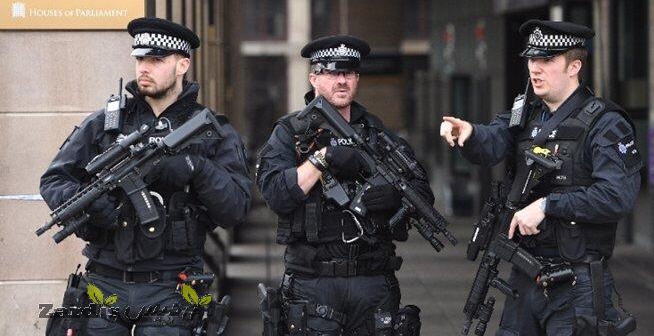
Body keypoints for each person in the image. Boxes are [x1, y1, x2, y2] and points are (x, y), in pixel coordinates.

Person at [40, 17, 252, 336]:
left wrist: (197, 169)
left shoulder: (210, 131)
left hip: (173, 284)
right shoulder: (105, 125)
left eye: (156, 59)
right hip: (105, 281)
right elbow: (53, 181)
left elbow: (235, 208)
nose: (144, 68)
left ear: (182, 65)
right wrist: (88, 209)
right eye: (140, 59)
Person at [440, 20, 643, 336]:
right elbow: (492, 141)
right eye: (532, 59)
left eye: (547, 60)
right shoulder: (527, 115)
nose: (535, 68)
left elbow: (617, 196)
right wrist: (469, 134)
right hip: (525, 276)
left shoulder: (605, 124)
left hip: (577, 283)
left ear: (574, 65)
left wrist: (549, 205)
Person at [256, 35, 433, 336]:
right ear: (313, 78)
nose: (342, 81)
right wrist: (322, 159)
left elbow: (422, 197)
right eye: (332, 72)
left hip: (373, 282)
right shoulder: (290, 133)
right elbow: (276, 194)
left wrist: (394, 197)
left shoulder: (377, 133)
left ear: (357, 78)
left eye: (348, 73)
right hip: (313, 284)